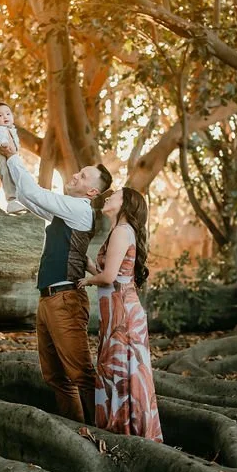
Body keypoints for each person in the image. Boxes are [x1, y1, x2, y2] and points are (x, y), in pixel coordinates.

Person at [0, 142, 113, 423]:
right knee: (55, 376)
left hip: (66, 300)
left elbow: (33, 193)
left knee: (81, 375)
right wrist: (14, 190)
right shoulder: (67, 211)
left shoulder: (79, 209)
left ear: (92, 192)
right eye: (79, 172)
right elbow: (33, 201)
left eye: (84, 176)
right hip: (48, 299)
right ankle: (77, 431)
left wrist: (14, 157)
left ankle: (101, 435)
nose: (75, 176)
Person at [78, 187, 163, 442]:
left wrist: (87, 281)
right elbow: (109, 272)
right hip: (116, 313)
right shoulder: (120, 232)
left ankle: (124, 433)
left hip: (123, 316)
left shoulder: (122, 232)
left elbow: (108, 277)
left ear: (125, 204)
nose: (107, 197)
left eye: (114, 195)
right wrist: (89, 265)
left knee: (121, 371)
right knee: (117, 369)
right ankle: (121, 430)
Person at [0, 102, 25, 213]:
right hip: (2, 160)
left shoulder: (11, 129)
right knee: (7, 176)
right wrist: (4, 143)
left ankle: (18, 200)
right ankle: (11, 201)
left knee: (16, 177)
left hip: (10, 158)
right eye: (0, 115)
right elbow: (0, 137)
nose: (5, 117)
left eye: (8, 114)